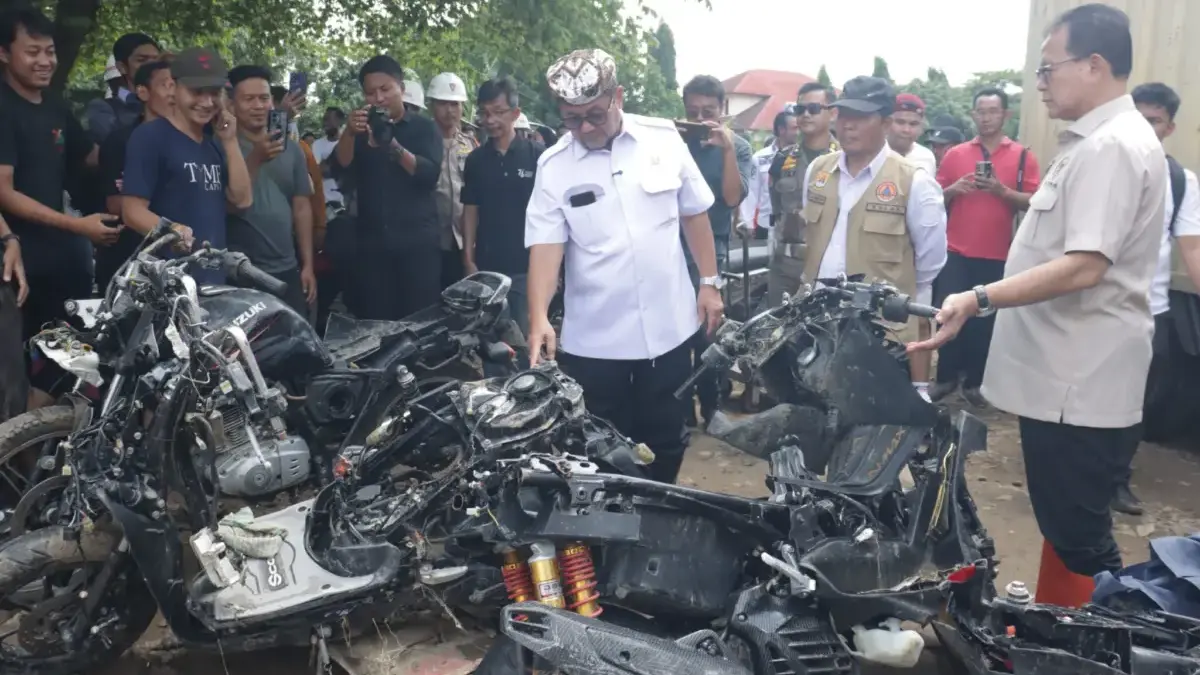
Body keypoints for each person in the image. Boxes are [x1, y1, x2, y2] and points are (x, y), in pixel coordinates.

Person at [910, 4, 1164, 608]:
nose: (1041, 85)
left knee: (1080, 536)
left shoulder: (1112, 147)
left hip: (1079, 384)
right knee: (1063, 524)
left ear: (1095, 65)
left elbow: (1086, 265)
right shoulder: (1095, 142)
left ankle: (1103, 640)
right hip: (1065, 379)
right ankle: (1059, 625)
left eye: (1049, 70)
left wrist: (979, 296)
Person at [525, 48, 723, 484]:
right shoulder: (554, 166)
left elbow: (695, 214)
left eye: (595, 115)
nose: (586, 129)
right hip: (596, 342)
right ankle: (612, 541)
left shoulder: (664, 140)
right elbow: (545, 245)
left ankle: (658, 524)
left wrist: (709, 282)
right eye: (573, 119)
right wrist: (539, 314)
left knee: (667, 441)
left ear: (618, 96)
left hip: (669, 331)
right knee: (600, 447)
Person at [800, 76, 947, 401]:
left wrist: (919, 381)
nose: (848, 126)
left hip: (880, 336)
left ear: (885, 122)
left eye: (860, 117)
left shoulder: (914, 183)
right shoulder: (818, 172)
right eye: (844, 116)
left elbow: (926, 271)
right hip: (816, 326)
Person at [0, 8, 114, 409]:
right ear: (3, 52)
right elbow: (4, 192)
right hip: (15, 270)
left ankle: (67, 462)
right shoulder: (3, 107)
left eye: (49, 51)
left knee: (74, 370)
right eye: (33, 51)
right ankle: (21, 465)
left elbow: (92, 158)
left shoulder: (54, 105)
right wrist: (76, 225)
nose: (45, 61)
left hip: (64, 268)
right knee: (15, 380)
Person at [1117, 82, 1200, 515]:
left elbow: (1192, 248)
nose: (1145, 128)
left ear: (1169, 127)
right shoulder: (1106, 167)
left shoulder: (1182, 182)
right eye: (1138, 118)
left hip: (1152, 312)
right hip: (1099, 310)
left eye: (1155, 121)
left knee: (1138, 401)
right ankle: (1083, 471)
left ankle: (1116, 478)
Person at [929, 87, 1041, 406]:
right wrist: (953, 189)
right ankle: (946, 377)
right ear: (973, 114)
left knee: (984, 321)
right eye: (981, 111)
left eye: (993, 111)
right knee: (947, 312)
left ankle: (977, 382)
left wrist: (1001, 191)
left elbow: (1034, 202)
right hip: (955, 251)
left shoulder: (1022, 156)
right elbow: (933, 198)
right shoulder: (955, 154)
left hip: (997, 253)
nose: (987, 117)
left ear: (1006, 115)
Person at [121, 47, 253, 285]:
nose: (207, 102)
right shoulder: (150, 137)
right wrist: (173, 230)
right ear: (173, 87)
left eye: (214, 93)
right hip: (169, 288)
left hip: (213, 283)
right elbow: (131, 211)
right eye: (197, 92)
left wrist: (230, 141)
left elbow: (242, 201)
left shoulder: (213, 145)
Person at [333, 55, 443, 321]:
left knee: (420, 320)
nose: (378, 98)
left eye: (385, 89)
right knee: (377, 321)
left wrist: (391, 144)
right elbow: (340, 169)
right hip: (373, 247)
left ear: (401, 89)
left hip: (417, 244)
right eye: (371, 93)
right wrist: (348, 132)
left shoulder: (423, 127)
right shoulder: (359, 131)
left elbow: (428, 175)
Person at [680, 74, 753, 425]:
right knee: (675, 332)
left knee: (707, 331)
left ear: (722, 110)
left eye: (708, 111)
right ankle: (681, 410)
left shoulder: (738, 147)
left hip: (714, 249)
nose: (699, 119)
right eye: (692, 111)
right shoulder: (675, 142)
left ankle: (710, 404)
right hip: (670, 249)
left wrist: (724, 149)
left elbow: (731, 197)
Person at [225, 65, 316, 316]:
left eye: (264, 98)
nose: (258, 106)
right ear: (232, 104)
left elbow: (302, 208)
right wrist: (256, 157)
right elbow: (230, 204)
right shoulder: (223, 147)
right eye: (248, 99)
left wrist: (307, 265)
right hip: (241, 271)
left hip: (287, 268)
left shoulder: (293, 150)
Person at [462, 76, 542, 341]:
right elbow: (470, 209)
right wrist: (468, 257)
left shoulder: (537, 156)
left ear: (515, 113)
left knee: (523, 339)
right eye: (485, 113)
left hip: (527, 265)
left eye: (498, 112)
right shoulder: (476, 160)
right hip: (488, 267)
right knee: (490, 342)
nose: (491, 120)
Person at [95, 60, 175, 292]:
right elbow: (114, 204)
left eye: (177, 86)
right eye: (165, 85)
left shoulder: (192, 140)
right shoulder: (121, 141)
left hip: (176, 261)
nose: (173, 93)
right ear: (142, 92)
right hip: (128, 261)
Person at [767, 82, 839, 306]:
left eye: (814, 109)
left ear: (833, 113)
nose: (806, 115)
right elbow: (777, 207)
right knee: (774, 330)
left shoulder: (845, 160)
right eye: (800, 110)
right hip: (785, 264)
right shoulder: (782, 159)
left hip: (826, 266)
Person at [427, 72, 477, 289]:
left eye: (455, 104)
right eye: (444, 104)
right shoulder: (422, 141)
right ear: (432, 106)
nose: (450, 111)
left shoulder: (470, 144)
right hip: (430, 239)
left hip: (463, 242)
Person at [85, 32, 160, 144]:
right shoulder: (103, 108)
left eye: (156, 60)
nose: (151, 66)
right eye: (141, 60)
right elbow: (115, 145)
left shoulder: (171, 103)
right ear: (122, 67)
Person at [742, 108, 797, 246]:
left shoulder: (802, 157)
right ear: (781, 130)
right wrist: (748, 222)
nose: (799, 132)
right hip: (765, 224)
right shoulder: (760, 157)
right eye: (795, 128)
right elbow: (752, 191)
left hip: (793, 225)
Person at [887, 93, 937, 174]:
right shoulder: (871, 154)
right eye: (900, 122)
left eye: (913, 124)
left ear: (921, 128)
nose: (906, 130)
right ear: (887, 123)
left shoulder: (926, 157)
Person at [311, 107, 346, 217]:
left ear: (340, 121)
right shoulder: (317, 144)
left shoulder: (349, 144)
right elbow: (317, 172)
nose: (324, 123)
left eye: (328, 119)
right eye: (324, 120)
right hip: (324, 205)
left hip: (345, 205)